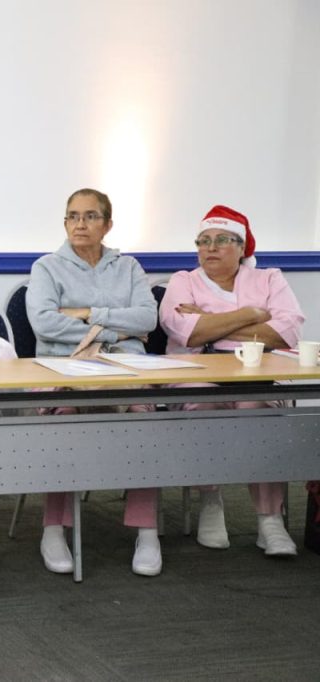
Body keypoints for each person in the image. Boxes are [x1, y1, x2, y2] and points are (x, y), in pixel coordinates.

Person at [26, 188, 161, 576]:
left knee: (145, 416)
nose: (79, 224)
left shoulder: (128, 267)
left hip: (125, 367)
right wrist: (114, 331)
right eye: (72, 216)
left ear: (108, 224)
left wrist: (87, 313)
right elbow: (45, 323)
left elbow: (147, 319)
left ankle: (147, 530)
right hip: (63, 366)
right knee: (65, 417)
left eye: (90, 216)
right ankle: (54, 529)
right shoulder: (47, 267)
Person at [159, 205, 303, 556]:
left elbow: (286, 333)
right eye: (203, 240)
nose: (210, 247)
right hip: (194, 374)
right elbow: (186, 332)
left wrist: (211, 321)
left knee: (260, 408)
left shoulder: (269, 278)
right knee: (203, 404)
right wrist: (252, 315)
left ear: (242, 248)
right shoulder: (183, 281)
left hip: (256, 377)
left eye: (222, 239)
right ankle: (211, 502)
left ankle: (269, 519)